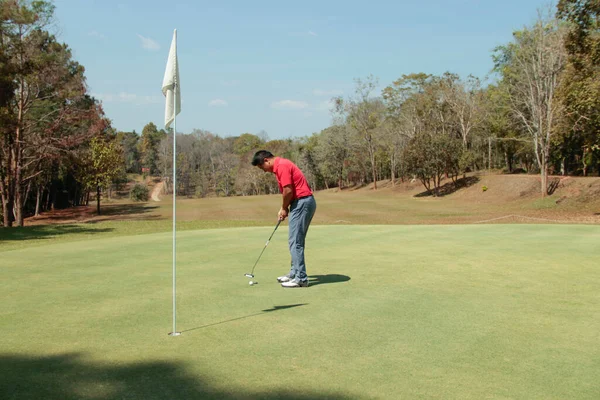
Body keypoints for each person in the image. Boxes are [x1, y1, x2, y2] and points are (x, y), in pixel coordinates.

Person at [252, 150, 317, 288]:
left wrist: (283, 208)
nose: (263, 171)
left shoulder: (281, 166)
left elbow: (288, 190)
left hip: (302, 202)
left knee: (295, 242)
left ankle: (301, 278)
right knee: (296, 241)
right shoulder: (281, 165)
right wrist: (286, 207)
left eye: (261, 167)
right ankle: (294, 273)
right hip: (301, 202)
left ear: (266, 160)